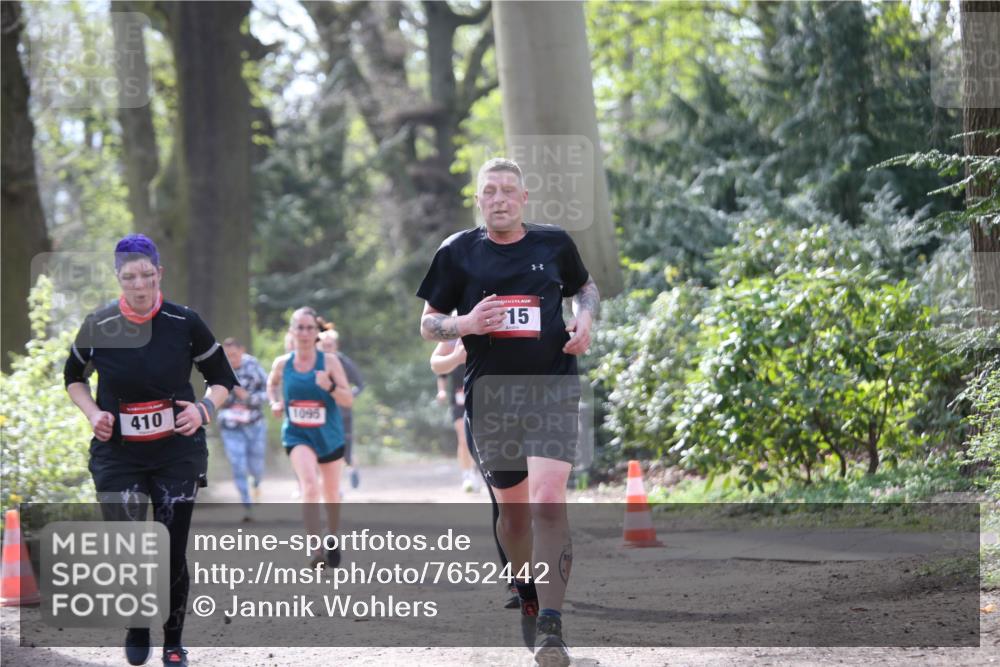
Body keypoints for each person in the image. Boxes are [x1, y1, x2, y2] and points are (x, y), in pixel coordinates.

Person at [416, 158, 600, 666]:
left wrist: (586, 319)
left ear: (523, 198)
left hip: (552, 389)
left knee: (548, 501)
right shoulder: (457, 252)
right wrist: (467, 323)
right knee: (514, 517)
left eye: (507, 190)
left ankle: (552, 625)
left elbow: (585, 287)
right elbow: (429, 324)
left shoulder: (553, 243)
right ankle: (524, 587)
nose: (498, 198)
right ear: (478, 199)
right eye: (489, 191)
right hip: (491, 398)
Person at [64, 234, 237, 667]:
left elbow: (221, 379)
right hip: (118, 453)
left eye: (146, 275)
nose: (139, 285)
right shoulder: (99, 324)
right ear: (118, 278)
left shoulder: (185, 321)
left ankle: (173, 642)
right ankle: (137, 623)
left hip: (177, 451)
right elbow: (73, 378)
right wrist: (92, 413)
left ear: (159, 273)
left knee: (171, 550)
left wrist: (203, 409)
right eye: (129, 277)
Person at [267, 307, 353, 568]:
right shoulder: (282, 364)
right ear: (292, 331)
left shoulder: (330, 362)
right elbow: (272, 384)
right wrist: (275, 402)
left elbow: (347, 400)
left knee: (331, 493)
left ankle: (332, 536)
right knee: (310, 486)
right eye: (300, 328)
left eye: (309, 328)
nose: (304, 333)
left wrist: (329, 386)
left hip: (329, 435)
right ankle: (315, 550)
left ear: (316, 332)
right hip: (297, 434)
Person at [218, 338, 269, 521]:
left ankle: (256, 483)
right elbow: (211, 395)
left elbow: (269, 392)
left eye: (234, 355)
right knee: (237, 464)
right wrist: (220, 399)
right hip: (230, 425)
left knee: (256, 466)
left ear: (242, 350)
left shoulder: (253, 366)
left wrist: (248, 398)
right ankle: (247, 505)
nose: (231, 359)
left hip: (254, 423)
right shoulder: (218, 368)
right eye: (227, 356)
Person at [316, 326, 365, 489]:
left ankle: (352, 468)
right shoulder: (314, 363)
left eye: (330, 345)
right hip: (322, 413)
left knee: (345, 449)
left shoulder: (344, 362)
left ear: (336, 345)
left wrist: (348, 395)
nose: (327, 348)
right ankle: (331, 484)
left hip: (342, 412)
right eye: (323, 345)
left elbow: (360, 384)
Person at [430, 338, 479, 492]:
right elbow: (441, 372)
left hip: (482, 396)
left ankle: (476, 472)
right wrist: (441, 391)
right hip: (459, 399)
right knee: (463, 438)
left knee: (478, 439)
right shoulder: (453, 341)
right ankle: (467, 475)